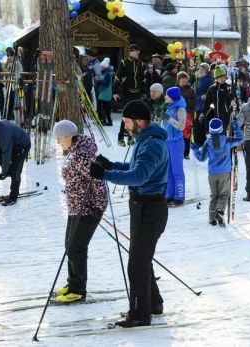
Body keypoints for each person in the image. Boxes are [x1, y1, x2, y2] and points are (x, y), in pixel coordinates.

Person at [88, 100, 168, 328]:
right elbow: (133, 168)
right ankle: (153, 304)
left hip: (149, 208)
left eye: (126, 121)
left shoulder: (152, 144)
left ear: (139, 121)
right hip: (144, 206)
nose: (124, 126)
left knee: (137, 264)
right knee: (142, 259)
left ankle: (140, 314)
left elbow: (139, 177)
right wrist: (110, 165)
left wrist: (104, 175)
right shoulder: (145, 140)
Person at [51, 120, 108, 302]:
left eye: (60, 138)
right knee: (70, 245)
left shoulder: (82, 154)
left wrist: (97, 207)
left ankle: (78, 290)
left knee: (77, 247)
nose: (58, 142)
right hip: (76, 206)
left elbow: (98, 181)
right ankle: (72, 283)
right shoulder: (75, 150)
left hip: (87, 209)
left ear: (69, 136)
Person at [191, 118, 242, 226]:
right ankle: (220, 210)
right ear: (221, 128)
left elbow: (201, 157)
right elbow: (240, 139)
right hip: (225, 173)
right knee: (224, 195)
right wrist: (236, 127)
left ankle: (211, 218)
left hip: (213, 173)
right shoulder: (227, 140)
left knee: (213, 196)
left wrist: (195, 148)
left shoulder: (208, 143)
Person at [0, 120, 31, 206]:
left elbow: (6, 154)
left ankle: (13, 197)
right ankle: (8, 171)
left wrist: (3, 173)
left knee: (16, 170)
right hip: (13, 143)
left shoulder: (4, 134)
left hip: (22, 145)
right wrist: (6, 171)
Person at [113, 44, 146, 147]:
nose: (137, 53)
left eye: (138, 51)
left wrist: (144, 91)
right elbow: (118, 78)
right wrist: (115, 92)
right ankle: (121, 136)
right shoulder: (124, 63)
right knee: (127, 115)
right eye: (135, 51)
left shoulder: (140, 64)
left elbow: (143, 79)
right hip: (127, 92)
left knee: (135, 116)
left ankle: (131, 137)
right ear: (130, 52)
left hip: (137, 92)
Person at [161, 87, 187, 207]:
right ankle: (169, 195)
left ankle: (179, 196)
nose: (165, 97)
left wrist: (168, 118)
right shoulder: (170, 106)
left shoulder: (180, 109)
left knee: (177, 170)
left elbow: (181, 127)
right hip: (168, 141)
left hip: (176, 142)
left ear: (172, 97)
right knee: (169, 170)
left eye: (167, 95)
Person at [200, 66, 232, 135]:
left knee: (223, 134)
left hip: (226, 115)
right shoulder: (212, 89)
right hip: (215, 115)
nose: (222, 79)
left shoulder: (228, 87)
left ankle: (224, 145)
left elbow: (233, 100)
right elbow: (207, 102)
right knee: (216, 134)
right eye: (220, 78)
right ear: (216, 79)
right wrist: (203, 113)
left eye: (224, 77)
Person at [177, 72, 196, 159]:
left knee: (187, 134)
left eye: (185, 78)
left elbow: (195, 101)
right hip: (177, 115)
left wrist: (186, 102)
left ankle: (186, 153)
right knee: (178, 134)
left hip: (188, 115)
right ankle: (178, 152)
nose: (184, 80)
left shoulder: (191, 90)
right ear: (178, 79)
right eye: (182, 78)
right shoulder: (175, 89)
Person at [194, 63, 213, 146]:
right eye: (199, 69)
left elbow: (211, 89)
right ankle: (198, 140)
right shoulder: (198, 78)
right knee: (197, 123)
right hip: (198, 102)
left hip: (205, 103)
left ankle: (202, 141)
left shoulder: (209, 79)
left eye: (202, 69)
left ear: (206, 70)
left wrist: (206, 95)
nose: (200, 71)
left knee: (201, 122)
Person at [4, 47, 23, 121]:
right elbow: (4, 71)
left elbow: (19, 71)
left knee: (16, 98)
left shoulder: (17, 62)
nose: (9, 58)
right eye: (8, 56)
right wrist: (7, 70)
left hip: (16, 83)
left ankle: (16, 115)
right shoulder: (7, 63)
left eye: (11, 56)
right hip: (9, 83)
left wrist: (13, 68)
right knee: (9, 99)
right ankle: (9, 114)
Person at [96, 58, 113, 126]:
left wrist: (99, 81)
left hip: (105, 93)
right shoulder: (105, 73)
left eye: (101, 66)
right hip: (104, 93)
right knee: (106, 108)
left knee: (101, 107)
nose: (100, 67)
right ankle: (108, 120)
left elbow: (106, 83)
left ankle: (102, 119)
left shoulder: (107, 74)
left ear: (104, 67)